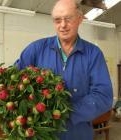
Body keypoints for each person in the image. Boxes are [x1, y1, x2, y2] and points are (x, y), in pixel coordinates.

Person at [15, 0, 113, 139]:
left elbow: (103, 96)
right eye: (57, 20)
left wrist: (65, 112)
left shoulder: (93, 54)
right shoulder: (36, 49)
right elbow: (15, 81)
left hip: (78, 133)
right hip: (42, 134)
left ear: (79, 19)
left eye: (68, 19)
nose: (63, 25)